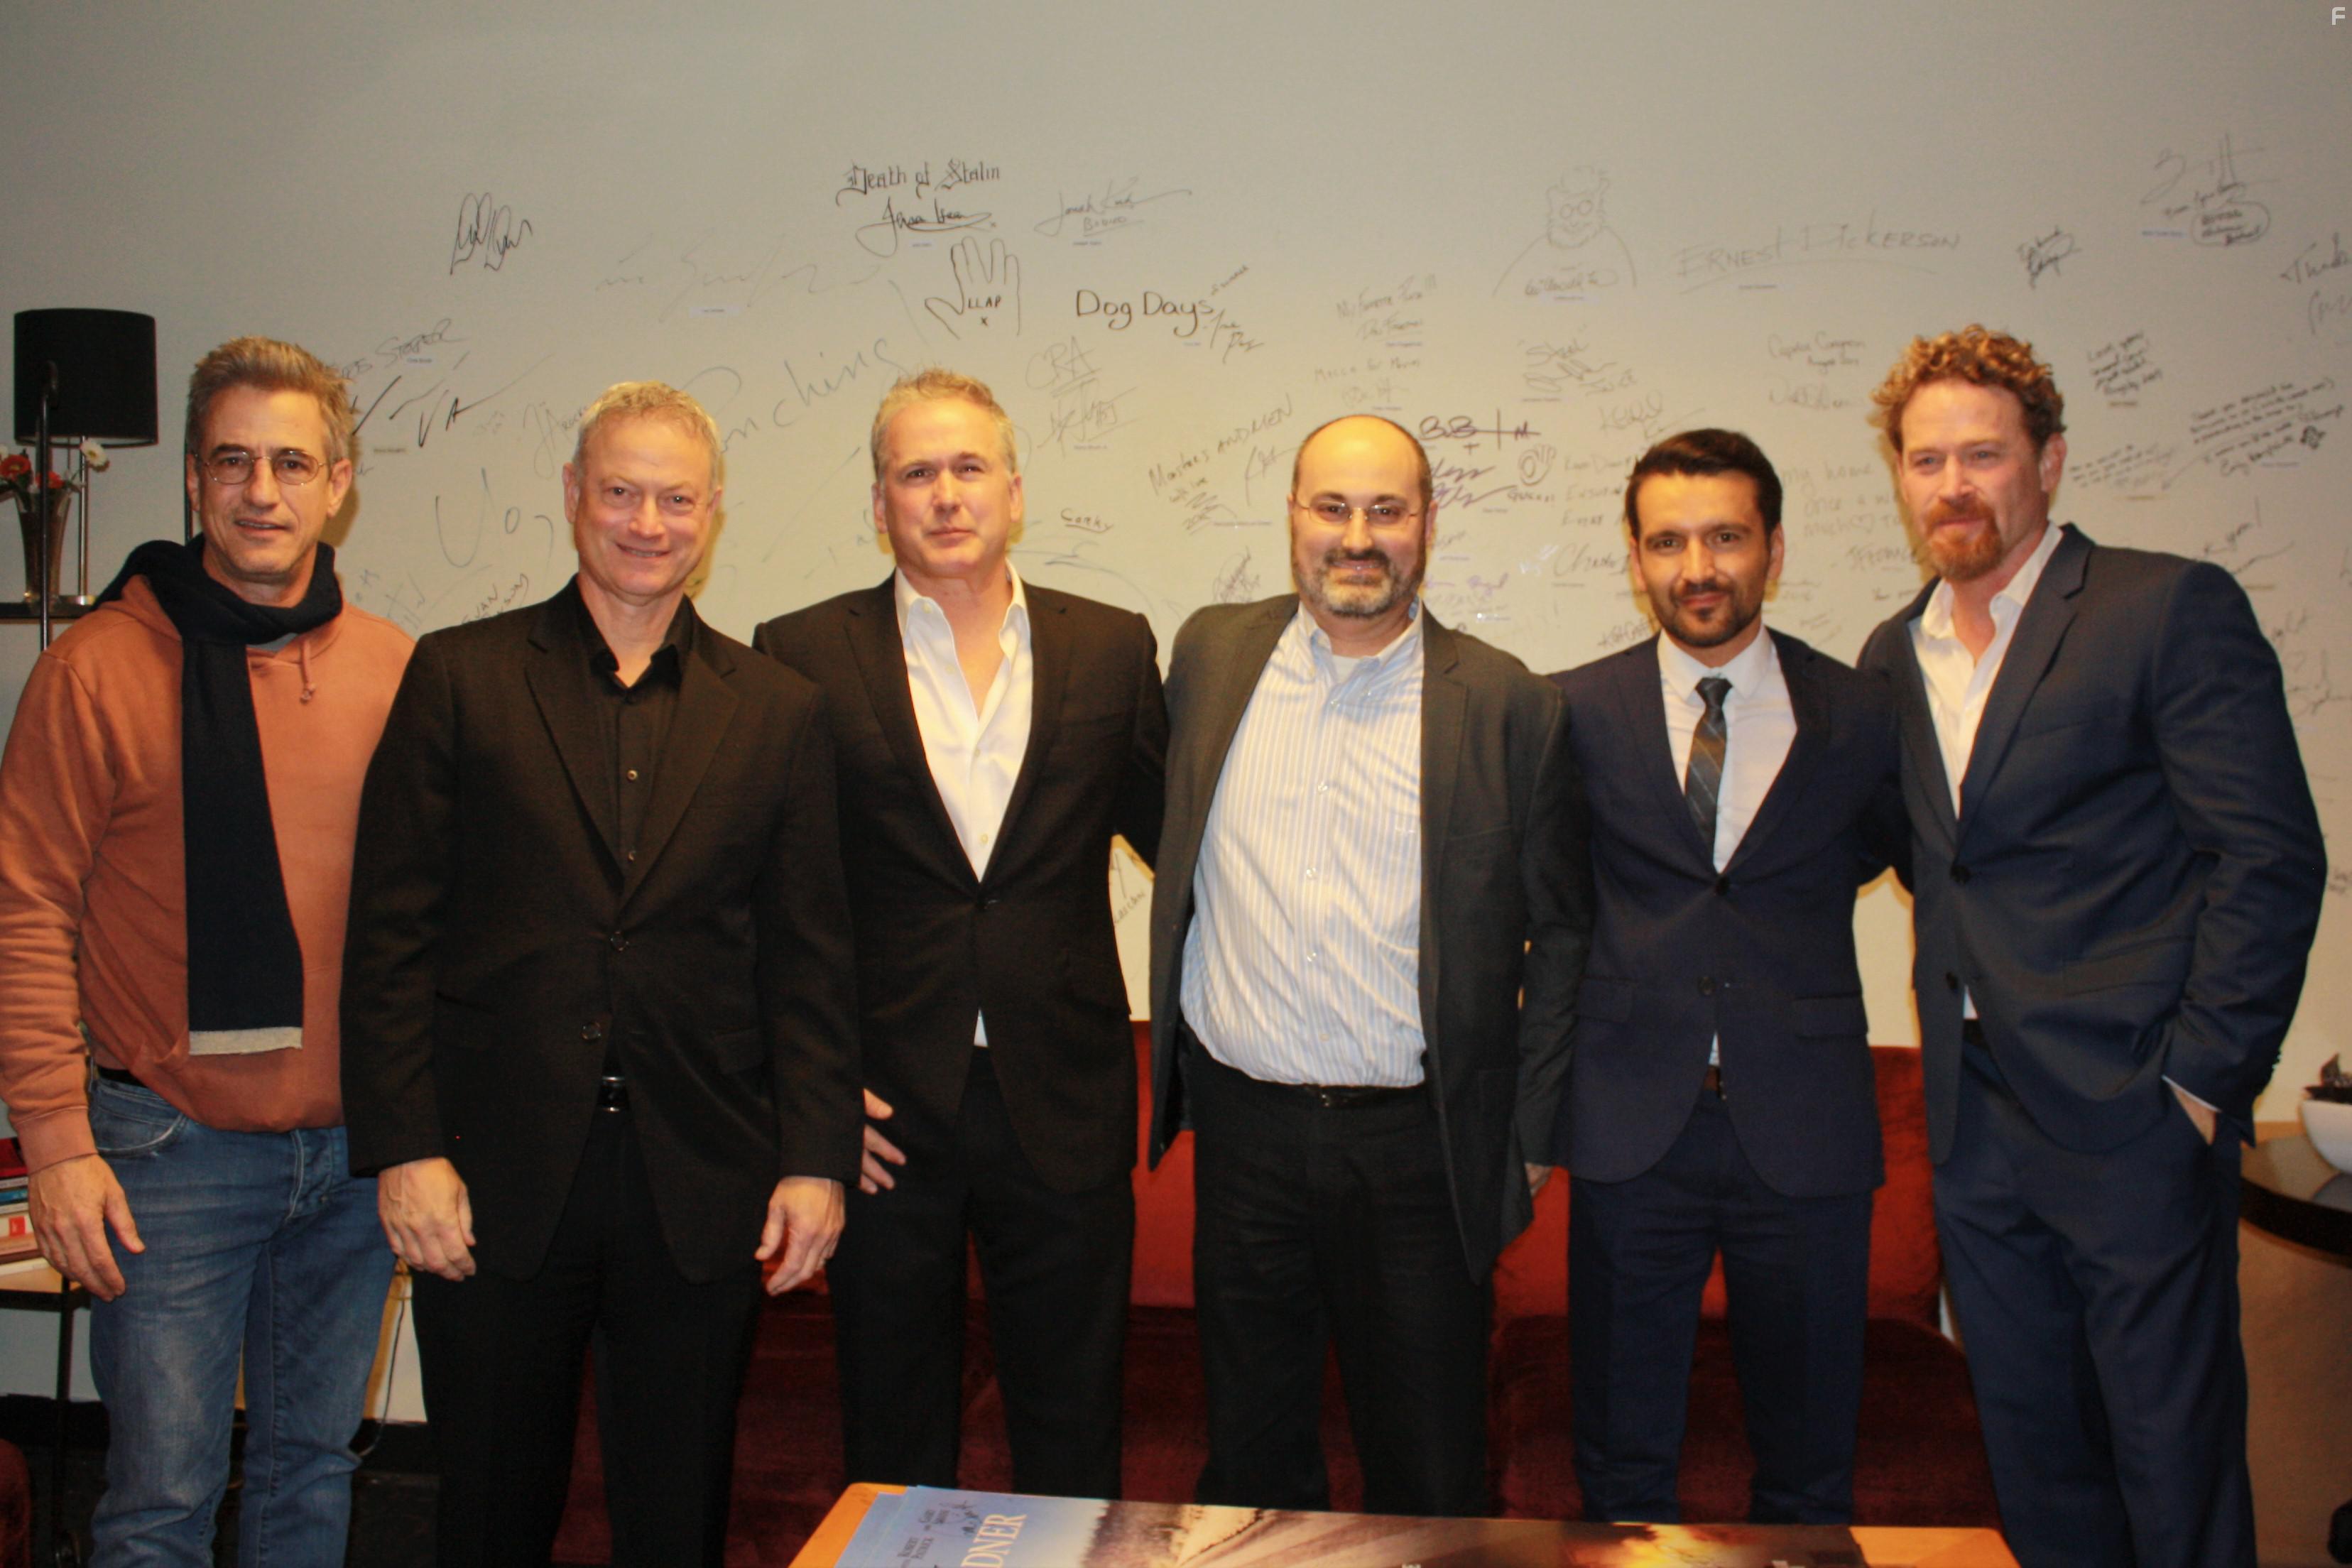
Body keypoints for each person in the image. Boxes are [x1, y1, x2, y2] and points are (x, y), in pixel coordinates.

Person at [339, 381, 861, 1567]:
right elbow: (390, 937)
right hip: (493, 1177)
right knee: (489, 1510)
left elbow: (809, 959)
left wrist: (816, 1161)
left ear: (713, 514)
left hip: (700, 1180)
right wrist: (405, 1149)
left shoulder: (778, 711)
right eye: (620, 491)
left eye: (676, 498)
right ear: (574, 497)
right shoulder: (460, 677)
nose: (647, 521)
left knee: (677, 1517)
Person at [1856, 327, 2326, 1568]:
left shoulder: (2163, 607)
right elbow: (1939, 864)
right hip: (1973, 1123)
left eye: (1983, 455)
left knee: (2171, 1470)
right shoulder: (1892, 658)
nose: (1952, 485)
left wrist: (2198, 1080)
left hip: (2133, 1118)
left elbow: (2270, 857)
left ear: (2049, 463)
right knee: (2039, 1466)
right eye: (1924, 460)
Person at [0, 336, 413, 1566]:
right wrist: (59, 1147)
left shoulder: (396, 670)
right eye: (232, 461)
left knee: (311, 1478)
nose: (262, 491)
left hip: (349, 1164)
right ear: (191, 481)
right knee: (161, 1504)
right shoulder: (95, 669)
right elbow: (25, 914)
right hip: (167, 1158)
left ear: (339, 482)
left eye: (293, 462)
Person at [1145, 413, 1591, 1516]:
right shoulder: (1209, 655)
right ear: (1293, 518)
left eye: (1387, 510)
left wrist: (1532, 1137)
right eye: (1332, 507)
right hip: (1244, 1135)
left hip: (1417, 1151)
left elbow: (1570, 931)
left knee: (1430, 1470)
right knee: (1251, 1466)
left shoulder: (1508, 707)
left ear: (1427, 526)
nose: (1359, 536)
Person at [753, 369, 1166, 1498]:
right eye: (916, 472)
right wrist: (812, 1100)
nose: (945, 495)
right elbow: (771, 903)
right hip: (883, 1115)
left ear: (1015, 492)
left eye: (969, 467)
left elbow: (1185, 843)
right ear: (880, 502)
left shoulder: (1114, 648)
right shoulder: (798, 654)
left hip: (1066, 1101)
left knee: (1074, 1423)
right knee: (892, 1430)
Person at [1550, 428, 1906, 1524]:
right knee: (1620, 1464)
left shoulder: (1862, 713)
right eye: (1668, 540)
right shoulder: (1570, 711)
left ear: (1775, 547)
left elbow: (1887, 854)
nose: (1697, 566)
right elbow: (1554, 899)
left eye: (1725, 537)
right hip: (1628, 1130)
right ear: (1635, 554)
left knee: (1808, 1469)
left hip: (1804, 1133)